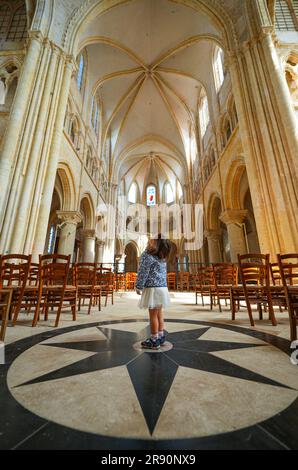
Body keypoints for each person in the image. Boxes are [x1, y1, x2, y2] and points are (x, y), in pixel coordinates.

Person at [135, 234, 171, 350]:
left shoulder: (147, 255)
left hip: (153, 289)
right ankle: (161, 335)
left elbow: (143, 272)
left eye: (152, 239)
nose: (149, 240)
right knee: (160, 313)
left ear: (155, 243)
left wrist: (139, 286)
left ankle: (154, 339)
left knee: (153, 316)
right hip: (162, 288)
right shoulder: (161, 258)